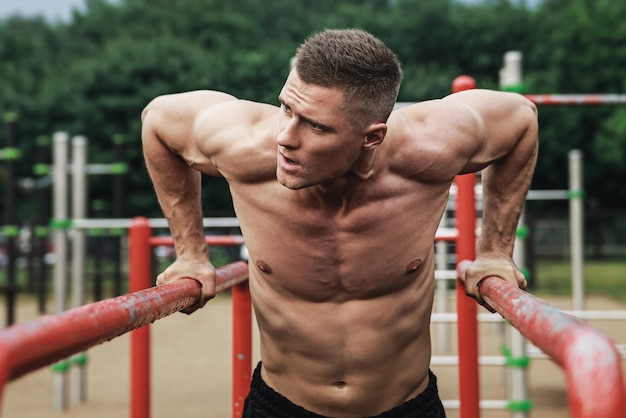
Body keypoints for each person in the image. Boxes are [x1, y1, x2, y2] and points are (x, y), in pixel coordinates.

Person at [141, 29, 537, 418]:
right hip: (281, 406)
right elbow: (157, 118)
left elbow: (521, 118)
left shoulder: (429, 150)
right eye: (286, 108)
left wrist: (495, 251)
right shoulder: (242, 144)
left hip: (405, 407)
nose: (285, 137)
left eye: (315, 126)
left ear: (372, 137)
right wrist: (190, 252)